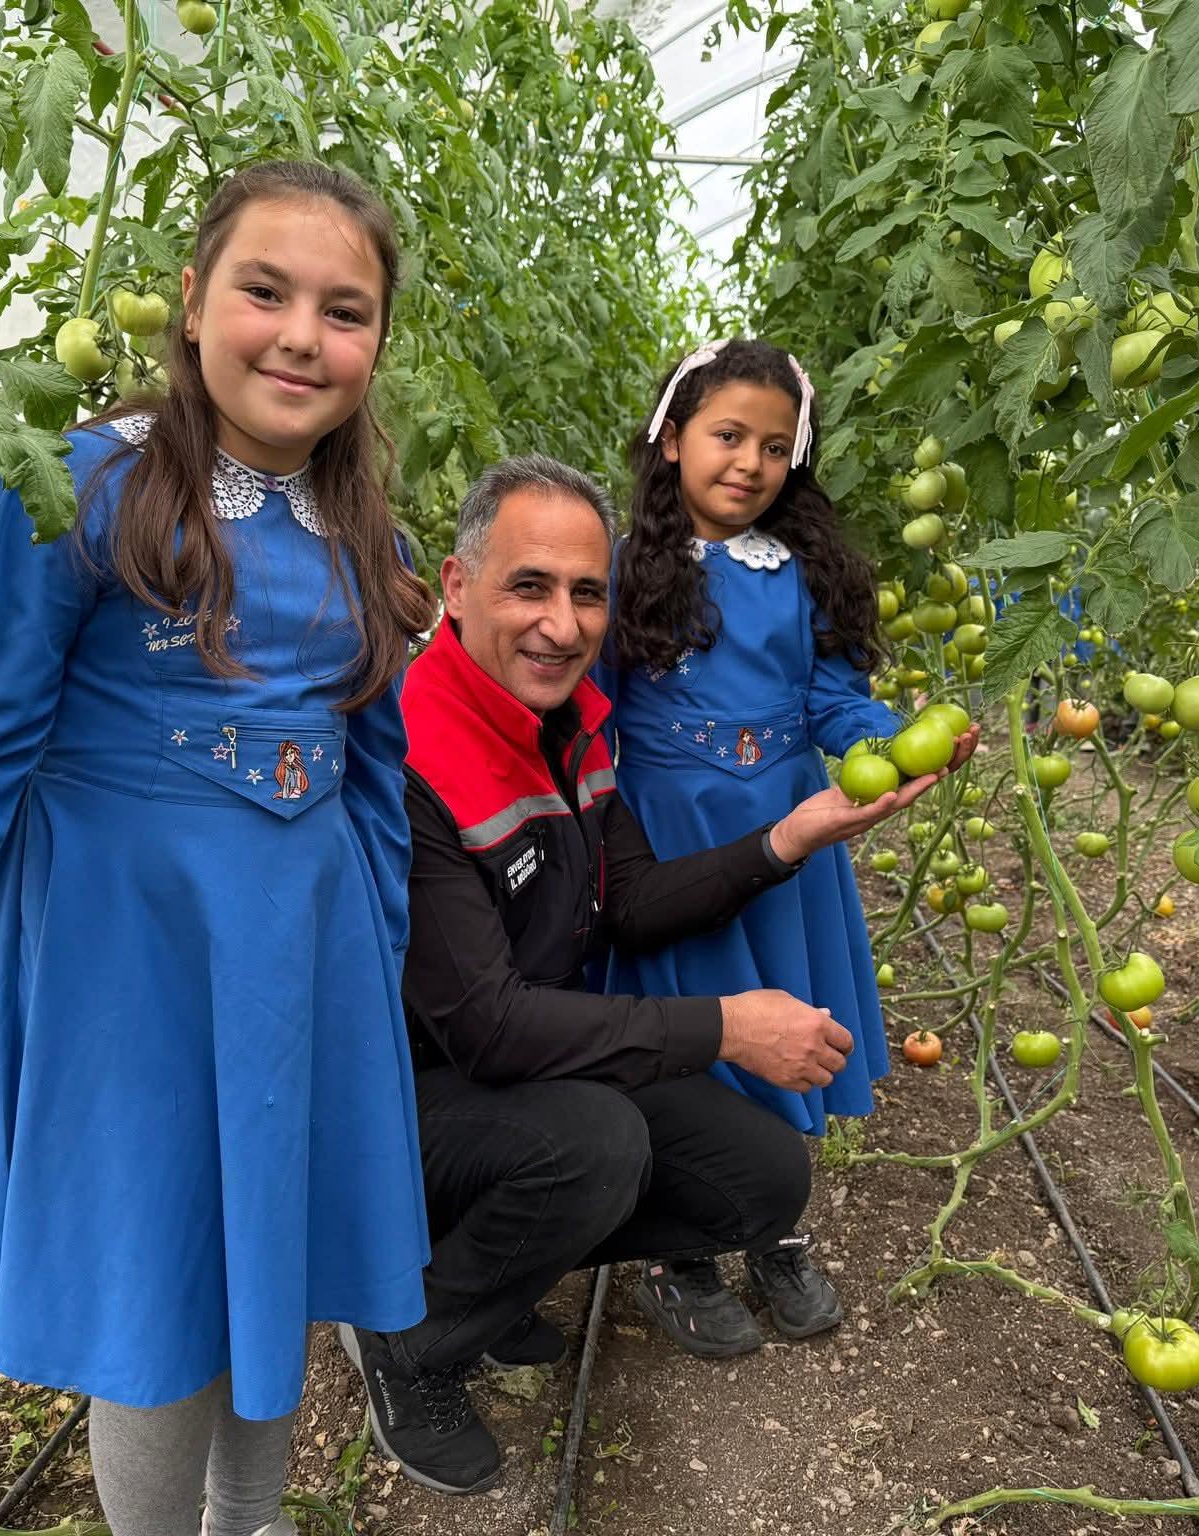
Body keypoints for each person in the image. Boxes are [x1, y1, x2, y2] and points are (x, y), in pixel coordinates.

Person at [0, 161, 436, 1536]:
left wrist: (374, 955)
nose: (302, 335)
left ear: (377, 345)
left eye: (345, 312)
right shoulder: (80, 488)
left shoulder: (369, 537)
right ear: (191, 301)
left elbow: (374, 768)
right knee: (157, 1276)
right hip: (129, 964)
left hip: (303, 958)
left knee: (270, 1246)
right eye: (265, 292)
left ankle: (254, 1518)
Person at [334, 455, 972, 1496]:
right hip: (395, 1091)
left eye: (586, 592)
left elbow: (627, 899)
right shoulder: (418, 753)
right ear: (455, 588)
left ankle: (493, 1282)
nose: (561, 622)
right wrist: (721, 1027)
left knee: (759, 1180)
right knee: (592, 1147)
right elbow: (488, 1028)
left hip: (511, 1066)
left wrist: (790, 836)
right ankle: (408, 1337)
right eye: (527, 586)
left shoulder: (570, 721)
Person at [603, 337, 959, 1341]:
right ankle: (681, 1251)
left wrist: (891, 740)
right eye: (727, 436)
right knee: (697, 1024)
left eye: (773, 447)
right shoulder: (629, 570)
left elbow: (829, 698)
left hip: (787, 835)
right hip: (671, 840)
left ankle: (772, 1223)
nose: (749, 463)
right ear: (669, 442)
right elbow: (595, 709)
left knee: (783, 1025)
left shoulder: (799, 575)